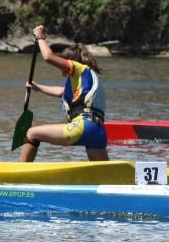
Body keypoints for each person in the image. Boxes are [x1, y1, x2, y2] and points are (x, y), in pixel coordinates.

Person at [19, 24, 109, 163]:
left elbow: (48, 57)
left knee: (31, 133)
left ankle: (20, 173)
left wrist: (40, 37)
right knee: (105, 176)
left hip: (83, 126)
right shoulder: (84, 79)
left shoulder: (78, 68)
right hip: (98, 131)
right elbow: (61, 91)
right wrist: (37, 87)